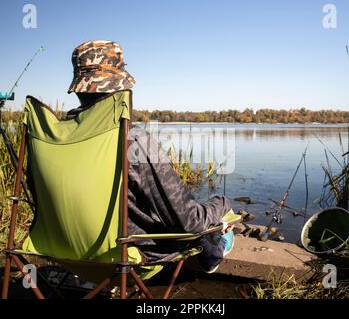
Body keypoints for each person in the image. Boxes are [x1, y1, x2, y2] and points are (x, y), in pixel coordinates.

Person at [66, 40, 234, 272]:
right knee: (207, 223)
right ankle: (214, 251)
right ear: (122, 89)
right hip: (128, 256)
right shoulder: (134, 142)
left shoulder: (53, 138)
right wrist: (221, 203)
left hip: (68, 253)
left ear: (79, 89)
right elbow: (190, 221)